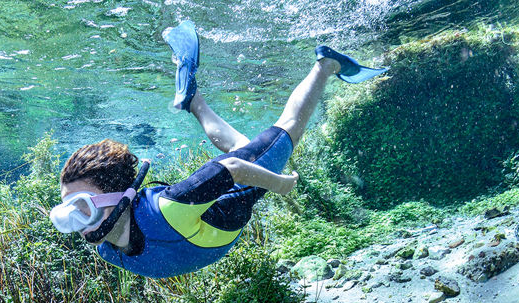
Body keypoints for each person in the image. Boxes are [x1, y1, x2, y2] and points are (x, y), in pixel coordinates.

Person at [49, 20, 388, 278]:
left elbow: (232, 171)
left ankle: (326, 63)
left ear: (119, 197)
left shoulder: (168, 208)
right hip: (209, 216)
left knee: (287, 131)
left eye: (81, 207)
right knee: (241, 147)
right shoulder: (105, 246)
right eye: (67, 210)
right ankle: (192, 99)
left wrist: (280, 185)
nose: (76, 222)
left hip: (235, 193)